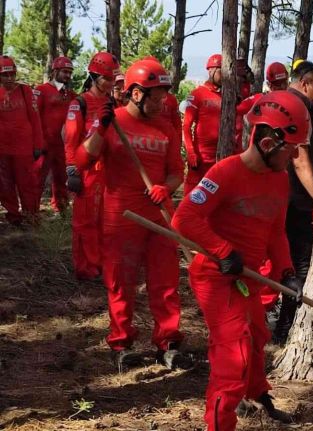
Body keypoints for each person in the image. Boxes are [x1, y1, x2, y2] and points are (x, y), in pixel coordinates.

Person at [172, 91, 310, 430]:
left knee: (258, 335)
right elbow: (184, 218)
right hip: (216, 276)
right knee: (234, 353)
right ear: (267, 143)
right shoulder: (225, 173)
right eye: (290, 149)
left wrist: (287, 272)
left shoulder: (278, 179)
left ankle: (257, 394)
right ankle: (220, 423)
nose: (294, 157)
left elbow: (276, 231)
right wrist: (221, 250)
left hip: (248, 277)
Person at [75, 59, 189, 370]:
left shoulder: (165, 127)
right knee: (120, 282)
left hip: (158, 215)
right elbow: (83, 159)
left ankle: (168, 342)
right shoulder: (114, 122)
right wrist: (102, 128)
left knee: (165, 282)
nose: (162, 101)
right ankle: (122, 344)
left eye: (164, 94)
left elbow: (176, 173)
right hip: (121, 216)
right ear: (136, 93)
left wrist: (165, 189)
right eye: (156, 95)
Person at [272, 60, 313, 343]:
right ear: (304, 83)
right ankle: (285, 325)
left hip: (285, 198)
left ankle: (283, 321)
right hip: (293, 200)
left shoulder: (294, 105)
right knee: (297, 264)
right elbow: (299, 158)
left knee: (288, 262)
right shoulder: (295, 108)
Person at [64, 51, 120, 280]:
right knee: (85, 222)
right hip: (86, 171)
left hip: (106, 172)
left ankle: (100, 264)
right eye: (107, 79)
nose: (111, 83)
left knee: (104, 221)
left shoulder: (111, 102)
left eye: (113, 79)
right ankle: (85, 268)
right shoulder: (80, 103)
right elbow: (70, 138)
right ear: (95, 76)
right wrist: (71, 170)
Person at [0, 55, 43, 226]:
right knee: (5, 185)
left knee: (27, 184)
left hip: (24, 149)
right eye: (5, 75)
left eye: (12, 74)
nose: (10, 78)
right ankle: (13, 217)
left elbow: (35, 119)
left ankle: (31, 216)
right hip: (2, 149)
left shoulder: (25, 91)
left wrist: (38, 145)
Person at [35, 56, 76, 215]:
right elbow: (34, 116)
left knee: (61, 179)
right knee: (37, 179)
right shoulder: (42, 90)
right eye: (65, 72)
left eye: (70, 72)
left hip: (62, 146)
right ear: (55, 71)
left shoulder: (70, 94)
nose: (68, 75)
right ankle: (32, 213)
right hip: (44, 144)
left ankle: (61, 211)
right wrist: (37, 142)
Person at [183, 54, 223, 196]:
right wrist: (191, 152)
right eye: (221, 71)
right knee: (192, 194)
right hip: (200, 159)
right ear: (211, 70)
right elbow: (186, 126)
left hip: (220, 158)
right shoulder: (197, 94)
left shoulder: (227, 97)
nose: (225, 75)